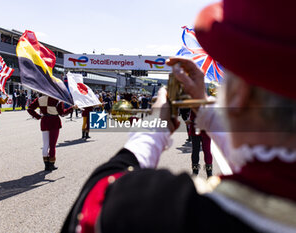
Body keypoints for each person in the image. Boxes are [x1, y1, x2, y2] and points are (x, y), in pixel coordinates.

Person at [62, 1, 296, 232]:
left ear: (240, 95)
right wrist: (204, 108)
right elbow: (263, 163)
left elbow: (94, 202)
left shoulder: (180, 213)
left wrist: (155, 126)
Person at [27, 94, 73, 171]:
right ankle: (51, 164)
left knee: (45, 144)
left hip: (44, 120)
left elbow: (29, 109)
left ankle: (46, 164)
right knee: (52, 145)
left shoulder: (39, 99)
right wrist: (72, 108)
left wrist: (38, 116)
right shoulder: (57, 100)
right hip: (54, 121)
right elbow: (62, 113)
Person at [186, 110, 213, 177]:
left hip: (205, 127)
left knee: (206, 150)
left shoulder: (208, 101)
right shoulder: (192, 100)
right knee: (196, 150)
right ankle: (195, 172)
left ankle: (209, 173)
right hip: (195, 126)